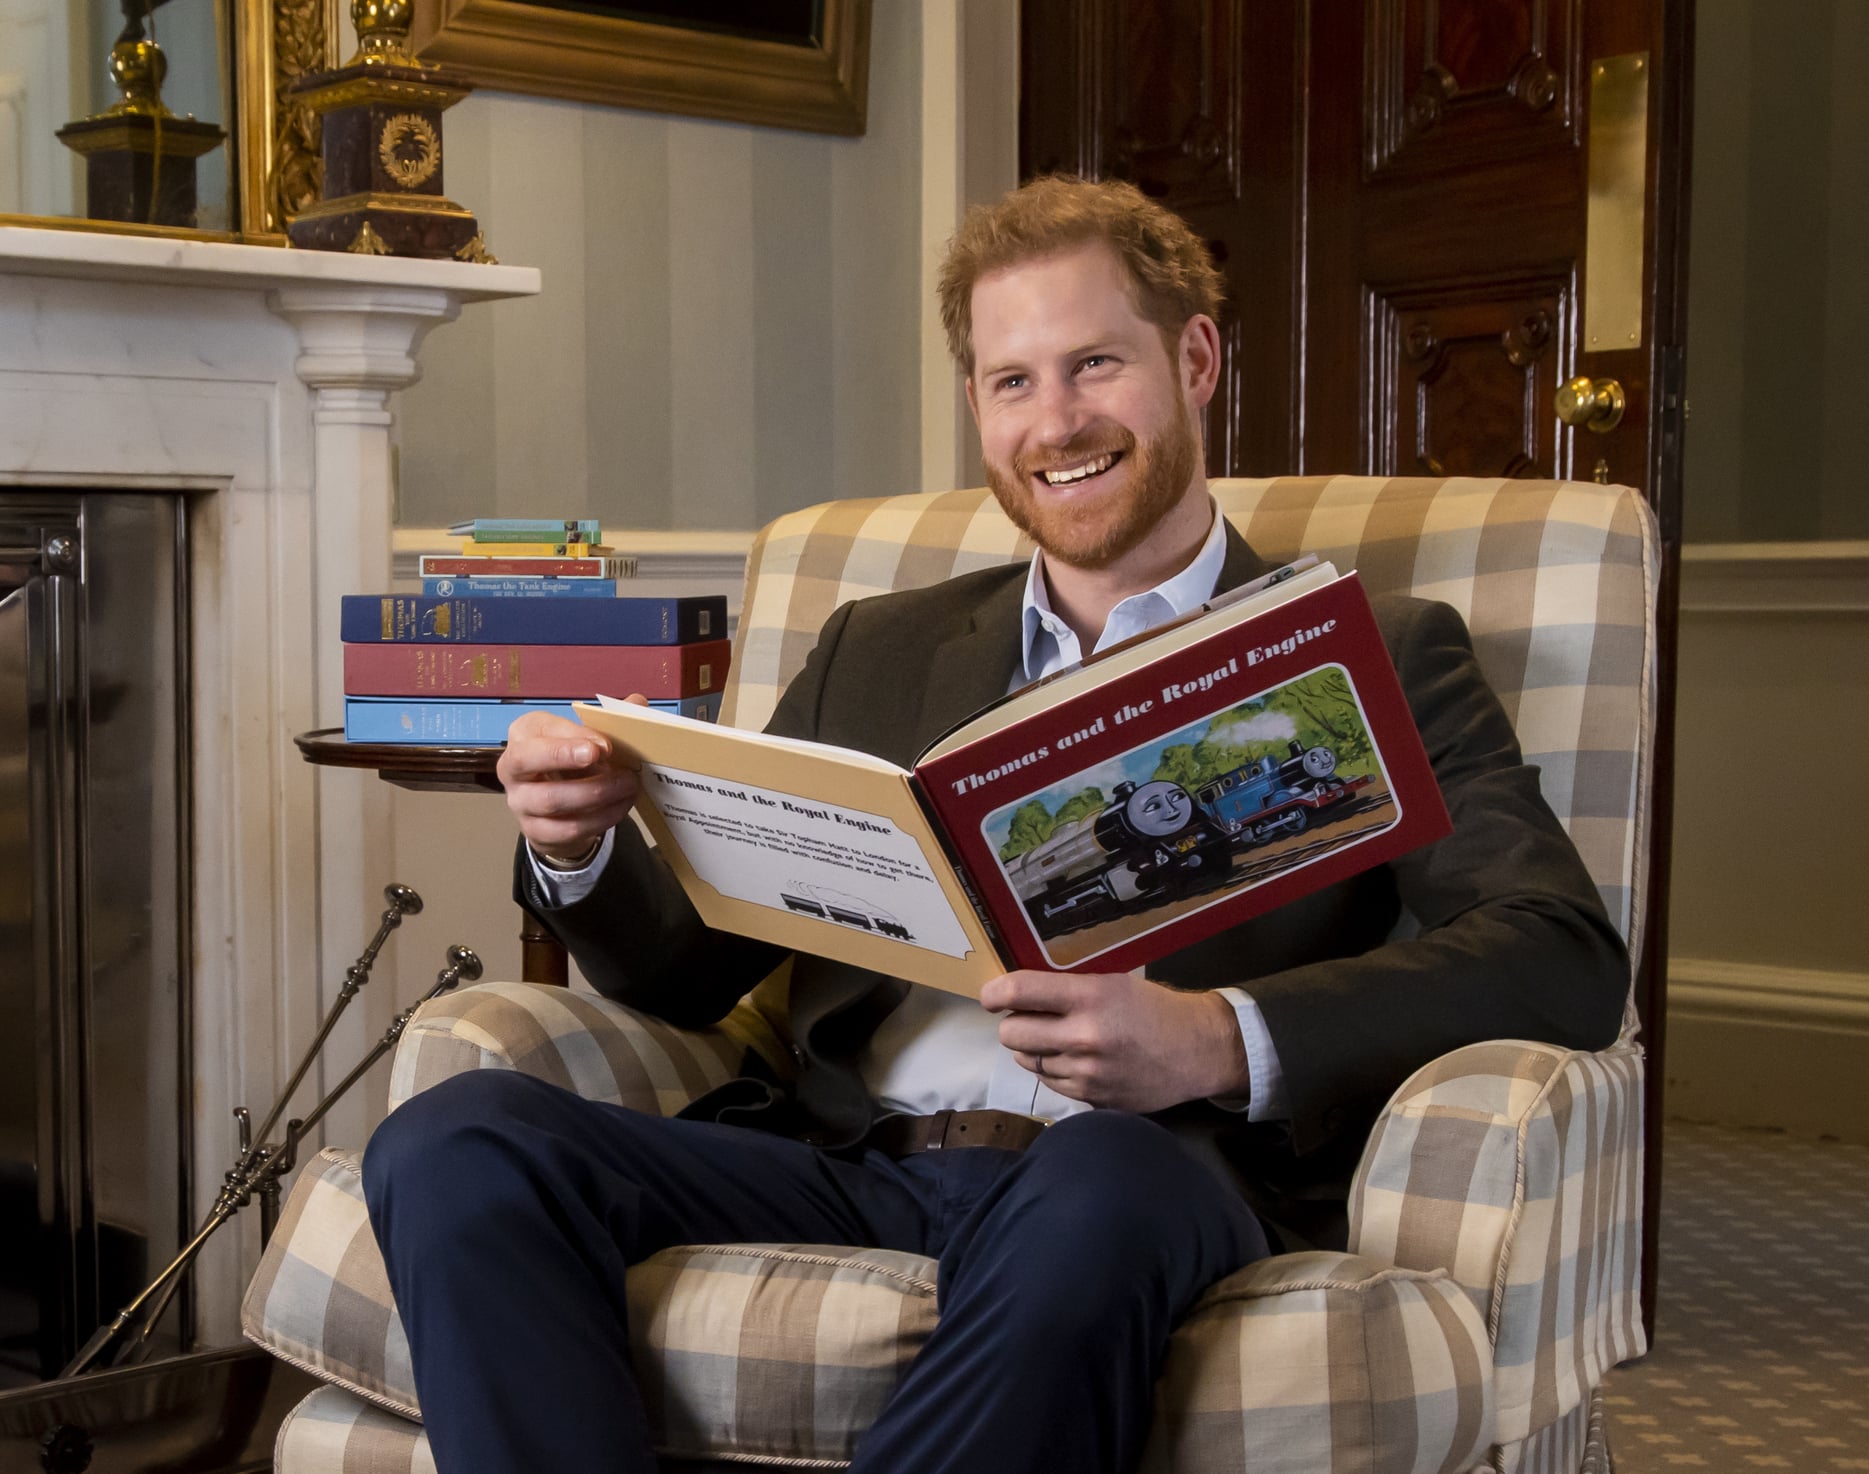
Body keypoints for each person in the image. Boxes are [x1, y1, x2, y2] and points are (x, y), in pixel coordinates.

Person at [363, 176, 1630, 1474]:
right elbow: (688, 971)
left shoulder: (1371, 653)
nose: (1057, 420)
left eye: (1094, 364)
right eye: (1013, 380)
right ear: (976, 405)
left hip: (1138, 1173)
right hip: (850, 1155)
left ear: (1194, 359)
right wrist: (578, 847)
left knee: (1106, 1184)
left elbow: (1560, 949)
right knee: (453, 1139)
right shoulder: (879, 650)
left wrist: (1216, 1037)